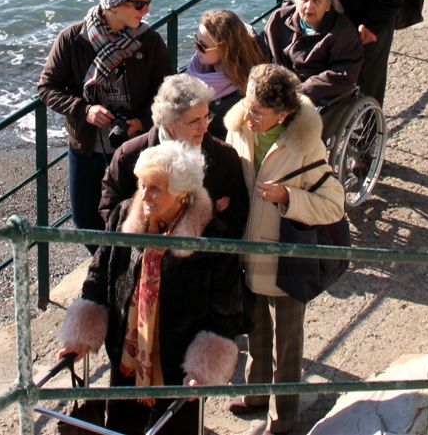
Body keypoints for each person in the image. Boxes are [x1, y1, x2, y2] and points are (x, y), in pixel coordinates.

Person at [58, 141, 244, 435]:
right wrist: (80, 337)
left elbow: (227, 315)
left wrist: (202, 370)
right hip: (126, 363)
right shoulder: (123, 216)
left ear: (183, 192)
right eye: (142, 184)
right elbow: (97, 280)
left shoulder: (213, 239)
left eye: (155, 188)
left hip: (179, 374)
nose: (144, 195)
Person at [223, 64, 345, 435]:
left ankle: (285, 417)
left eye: (259, 111)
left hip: (285, 259)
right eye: (248, 105)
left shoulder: (306, 146)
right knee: (255, 331)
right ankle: (258, 395)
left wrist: (288, 198)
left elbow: (334, 203)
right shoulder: (240, 127)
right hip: (248, 251)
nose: (250, 116)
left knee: (287, 343)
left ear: (285, 114)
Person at [38, 0, 171, 242]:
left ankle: (120, 276)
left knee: (135, 220)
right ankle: (107, 271)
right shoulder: (72, 39)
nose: (146, 10)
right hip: (86, 148)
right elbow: (47, 88)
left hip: (134, 147)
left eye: (148, 2)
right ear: (112, 5)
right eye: (138, 4)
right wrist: (84, 110)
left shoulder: (150, 42)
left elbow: (167, 92)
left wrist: (143, 121)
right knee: (85, 221)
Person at [98, 73, 250, 238]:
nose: (204, 128)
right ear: (170, 122)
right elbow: (111, 210)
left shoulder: (225, 157)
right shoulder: (128, 156)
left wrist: (203, 240)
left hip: (205, 260)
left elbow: (237, 215)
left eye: (207, 118)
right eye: (194, 121)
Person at [260, 0, 363, 107]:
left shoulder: (342, 32)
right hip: (277, 87)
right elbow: (264, 51)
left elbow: (342, 74)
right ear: (296, 1)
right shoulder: (278, 18)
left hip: (311, 97)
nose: (309, 6)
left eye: (316, 0)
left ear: (328, 5)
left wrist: (299, 91)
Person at [185, 9, 266, 140]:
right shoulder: (199, 67)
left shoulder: (243, 95)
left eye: (202, 45)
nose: (195, 48)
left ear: (224, 49)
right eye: (196, 39)